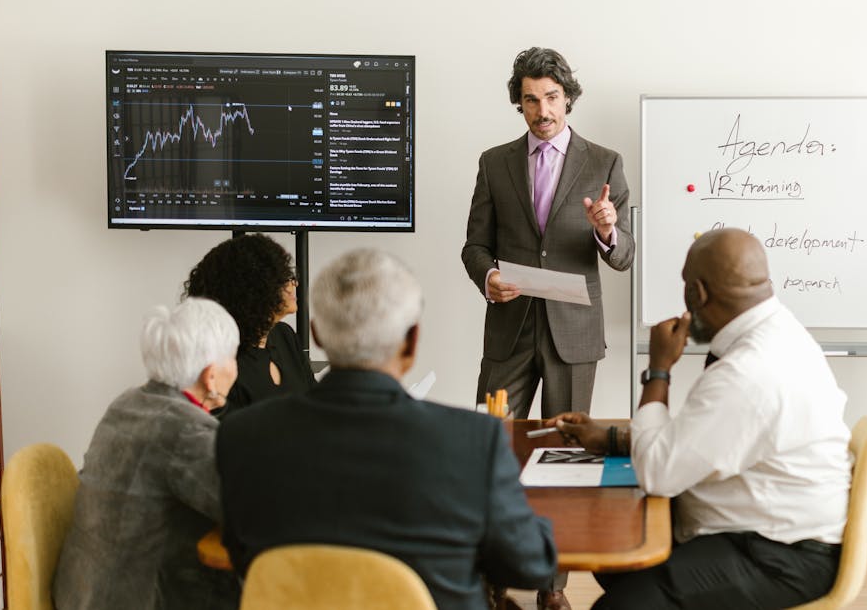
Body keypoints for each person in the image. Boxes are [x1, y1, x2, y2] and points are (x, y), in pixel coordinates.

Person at [216, 248, 557, 610]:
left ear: (316, 334)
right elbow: (532, 566)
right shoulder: (475, 441)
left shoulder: (239, 437)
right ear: (411, 342)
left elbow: (244, 560)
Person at [548, 228, 852, 610]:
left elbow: (657, 474)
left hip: (779, 553)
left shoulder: (748, 371)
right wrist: (613, 439)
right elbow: (706, 437)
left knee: (621, 605)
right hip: (762, 525)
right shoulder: (778, 330)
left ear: (698, 294)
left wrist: (658, 370)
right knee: (617, 557)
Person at [462, 46, 635, 421]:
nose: (543, 112)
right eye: (532, 100)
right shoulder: (494, 163)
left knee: (565, 452)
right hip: (510, 330)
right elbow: (475, 246)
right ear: (519, 104)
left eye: (552, 98)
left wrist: (607, 231)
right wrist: (488, 276)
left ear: (567, 97)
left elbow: (624, 256)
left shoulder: (605, 162)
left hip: (573, 333)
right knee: (490, 440)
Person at [53, 298, 241, 610]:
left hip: (82, 594)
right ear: (211, 376)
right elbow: (244, 508)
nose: (237, 367)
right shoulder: (183, 430)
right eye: (233, 358)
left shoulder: (126, 404)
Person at [184, 233, 315, 416]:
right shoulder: (221, 359)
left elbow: (314, 406)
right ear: (254, 288)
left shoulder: (285, 335)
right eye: (284, 277)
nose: (295, 284)